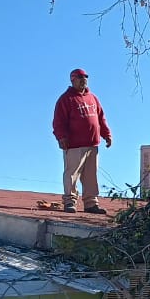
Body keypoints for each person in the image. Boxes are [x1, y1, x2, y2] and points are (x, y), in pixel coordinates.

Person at [52, 68, 112, 213]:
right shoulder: (66, 99)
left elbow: (101, 118)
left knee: (91, 176)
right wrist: (61, 137)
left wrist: (107, 134)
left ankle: (91, 203)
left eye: (85, 77)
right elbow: (58, 122)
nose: (83, 79)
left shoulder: (93, 98)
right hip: (74, 145)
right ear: (72, 80)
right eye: (80, 77)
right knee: (71, 174)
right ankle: (69, 202)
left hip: (92, 145)